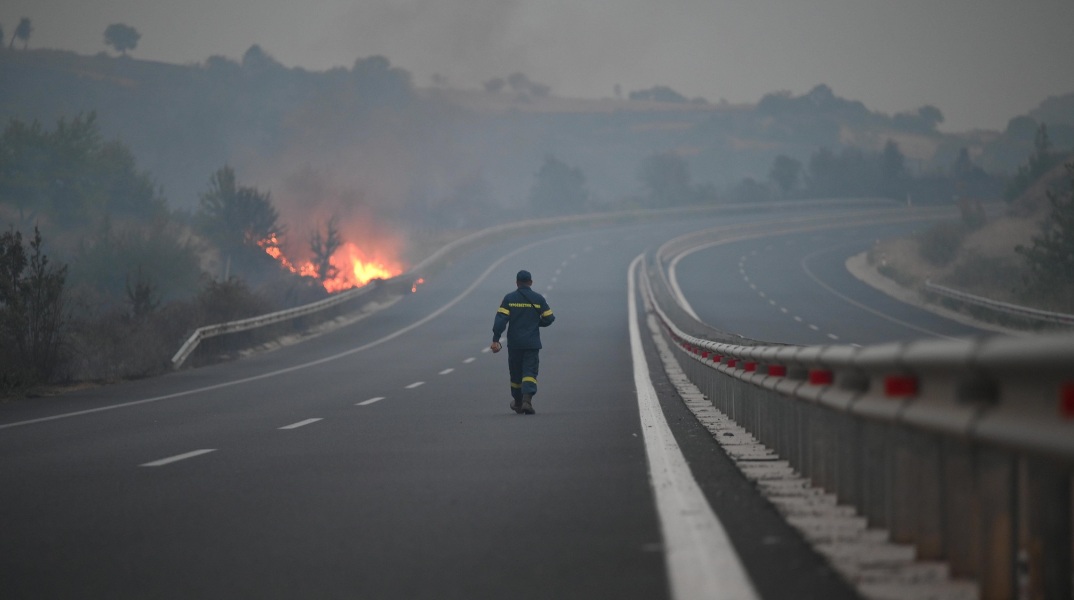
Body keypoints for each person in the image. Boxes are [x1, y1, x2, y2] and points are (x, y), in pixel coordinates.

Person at [490, 270, 555, 414]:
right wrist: (537, 323)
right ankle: (527, 401)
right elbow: (550, 318)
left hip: (515, 344)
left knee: (516, 373)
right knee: (530, 372)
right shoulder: (538, 299)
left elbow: (500, 320)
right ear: (530, 282)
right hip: (532, 343)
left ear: (517, 283)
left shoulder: (509, 299)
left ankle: (518, 401)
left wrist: (496, 339)